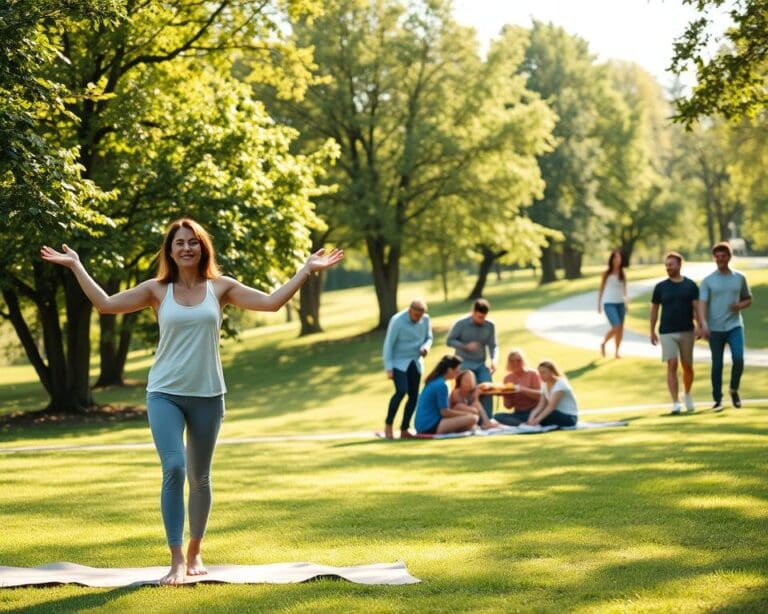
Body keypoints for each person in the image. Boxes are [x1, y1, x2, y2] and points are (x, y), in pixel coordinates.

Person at [40, 218, 343, 585]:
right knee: (174, 467)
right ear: (169, 250)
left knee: (200, 478)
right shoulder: (156, 290)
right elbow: (105, 304)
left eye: (192, 242)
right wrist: (76, 265)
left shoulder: (221, 288)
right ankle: (177, 558)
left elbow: (272, 303)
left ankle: (197, 549)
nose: (186, 248)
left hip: (208, 395)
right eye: (179, 243)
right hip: (164, 392)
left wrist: (305, 271)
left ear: (202, 248)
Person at [699, 242, 752, 411]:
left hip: (734, 325)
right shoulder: (708, 281)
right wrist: (703, 324)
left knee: (738, 359)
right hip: (714, 328)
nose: (720, 259)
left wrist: (739, 306)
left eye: (723, 256)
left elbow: (748, 299)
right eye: (717, 257)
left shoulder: (739, 278)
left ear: (729, 257)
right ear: (714, 258)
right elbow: (702, 304)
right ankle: (717, 399)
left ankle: (734, 389)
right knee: (717, 364)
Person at [649, 251, 703, 415]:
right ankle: (675, 402)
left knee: (687, 366)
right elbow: (654, 309)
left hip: (687, 331)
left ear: (679, 265)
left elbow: (697, 307)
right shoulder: (660, 287)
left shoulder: (690, 286)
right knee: (672, 364)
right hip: (666, 332)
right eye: (666, 265)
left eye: (671, 264)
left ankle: (687, 394)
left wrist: (700, 325)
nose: (668, 268)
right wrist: (651, 330)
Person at [382, 298, 433, 439]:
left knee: (414, 396)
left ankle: (405, 428)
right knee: (401, 391)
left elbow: (429, 337)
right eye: (416, 315)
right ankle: (388, 424)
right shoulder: (397, 321)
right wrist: (388, 367)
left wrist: (426, 347)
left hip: (415, 361)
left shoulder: (426, 319)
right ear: (410, 310)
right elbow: (388, 344)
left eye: (420, 316)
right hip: (398, 362)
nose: (418, 319)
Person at [446, 298, 498, 418]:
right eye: (479, 317)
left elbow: (493, 345)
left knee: (487, 386)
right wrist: (465, 346)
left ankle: (487, 418)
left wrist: (494, 359)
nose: (481, 320)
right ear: (473, 312)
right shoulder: (461, 324)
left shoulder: (490, 326)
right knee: (467, 389)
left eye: (484, 317)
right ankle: (468, 417)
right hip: (463, 364)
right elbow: (449, 341)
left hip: (480, 363)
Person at [414, 355, 478, 435]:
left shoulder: (435, 381)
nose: (459, 373)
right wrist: (466, 414)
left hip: (423, 425)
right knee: (473, 418)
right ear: (450, 370)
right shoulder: (441, 385)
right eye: (457, 370)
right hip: (430, 426)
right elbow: (445, 412)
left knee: (471, 425)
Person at [494, 349, 542, 426]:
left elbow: (540, 396)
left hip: (534, 411)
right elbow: (508, 406)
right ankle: (524, 424)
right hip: (518, 413)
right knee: (497, 416)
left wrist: (521, 389)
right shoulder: (507, 378)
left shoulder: (532, 374)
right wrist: (505, 395)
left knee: (542, 416)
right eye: (512, 361)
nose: (515, 363)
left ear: (523, 361)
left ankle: (525, 424)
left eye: (518, 360)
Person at [526, 360, 578, 427]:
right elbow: (541, 405)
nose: (541, 375)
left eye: (543, 372)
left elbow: (551, 407)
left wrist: (536, 420)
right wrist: (531, 417)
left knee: (545, 416)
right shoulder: (544, 384)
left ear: (552, 372)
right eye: (540, 373)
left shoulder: (560, 383)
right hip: (555, 414)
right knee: (530, 414)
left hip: (569, 417)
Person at [597, 248, 628, 358]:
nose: (617, 259)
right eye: (615, 257)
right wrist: (598, 304)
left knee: (620, 330)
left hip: (620, 303)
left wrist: (626, 303)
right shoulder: (606, 273)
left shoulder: (622, 273)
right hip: (609, 303)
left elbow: (624, 289)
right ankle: (603, 343)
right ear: (612, 259)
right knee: (616, 326)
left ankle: (617, 352)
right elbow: (601, 289)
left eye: (619, 257)